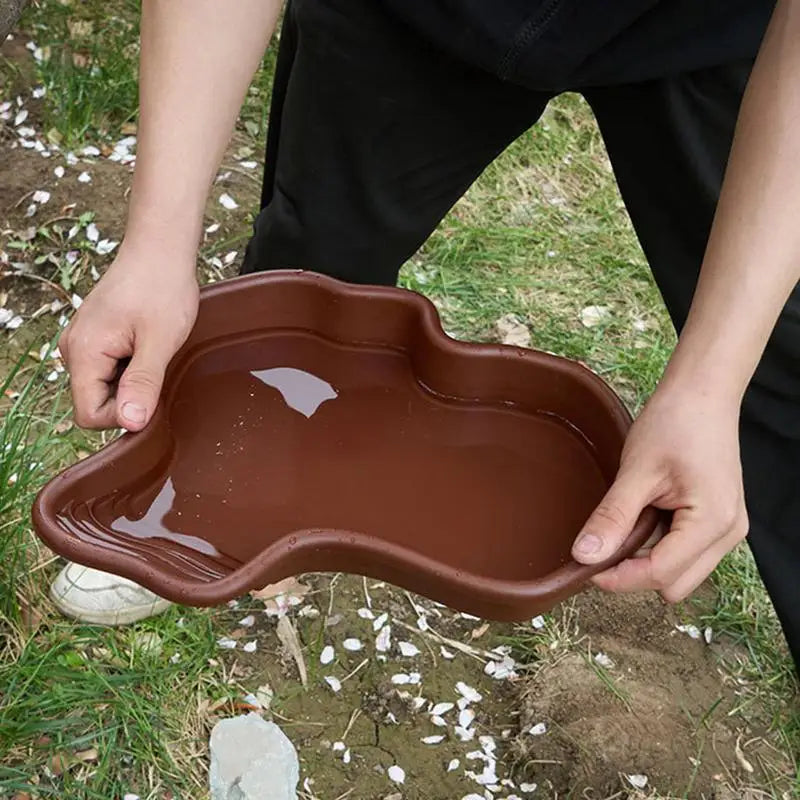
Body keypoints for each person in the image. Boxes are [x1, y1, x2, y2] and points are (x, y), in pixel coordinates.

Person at [51, 0, 800, 675]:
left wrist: (710, 381)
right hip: (423, 15)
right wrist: (154, 244)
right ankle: (183, 527)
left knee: (782, 374)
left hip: (716, 31)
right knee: (305, 285)